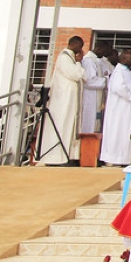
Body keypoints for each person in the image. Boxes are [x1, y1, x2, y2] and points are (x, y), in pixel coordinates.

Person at [39, 35, 85, 165]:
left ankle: (65, 155)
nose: (81, 50)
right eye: (80, 47)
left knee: (67, 126)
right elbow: (76, 75)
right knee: (62, 125)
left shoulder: (70, 57)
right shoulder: (65, 58)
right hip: (62, 101)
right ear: (74, 44)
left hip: (68, 101)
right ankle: (56, 157)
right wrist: (78, 61)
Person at [100, 48, 131, 166]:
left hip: (126, 109)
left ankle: (122, 159)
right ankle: (113, 159)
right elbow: (120, 88)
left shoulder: (126, 71)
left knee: (124, 132)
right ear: (123, 58)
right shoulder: (119, 72)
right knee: (117, 132)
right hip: (119, 110)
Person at [79, 43, 109, 135]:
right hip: (90, 97)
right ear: (99, 48)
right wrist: (106, 81)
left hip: (95, 96)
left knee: (93, 122)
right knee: (88, 122)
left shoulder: (96, 60)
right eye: (104, 51)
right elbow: (89, 81)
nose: (104, 54)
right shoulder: (89, 60)